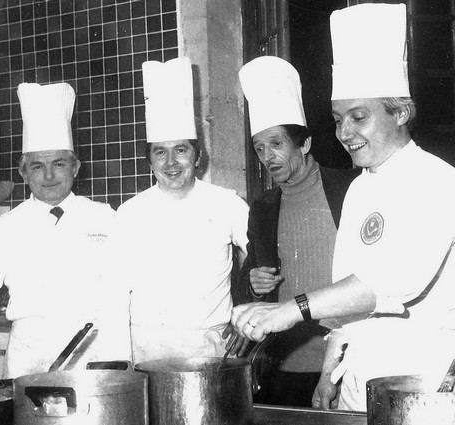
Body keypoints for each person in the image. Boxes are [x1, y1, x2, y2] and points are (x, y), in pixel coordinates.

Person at [231, 3, 455, 412]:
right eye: (338, 119)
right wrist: (327, 374)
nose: (344, 133)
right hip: (355, 384)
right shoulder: (361, 189)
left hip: (421, 389)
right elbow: (347, 305)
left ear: (400, 111)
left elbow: (385, 283)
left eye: (358, 117)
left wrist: (291, 310)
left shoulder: (436, 182)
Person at [0, 82, 125, 384]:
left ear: (75, 168)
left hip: (94, 361)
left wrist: (119, 363)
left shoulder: (106, 218)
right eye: (37, 166)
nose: (49, 176)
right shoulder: (7, 227)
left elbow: (123, 294)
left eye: (59, 164)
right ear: (23, 172)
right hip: (29, 363)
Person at [235, 55, 359, 407]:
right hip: (284, 365)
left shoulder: (350, 188)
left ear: (303, 144)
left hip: (343, 362)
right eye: (260, 148)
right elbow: (245, 284)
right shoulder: (263, 208)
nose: (267, 156)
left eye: (276, 144)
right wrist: (253, 281)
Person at [113, 57, 249, 363]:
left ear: (198, 157)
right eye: (160, 152)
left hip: (211, 351)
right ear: (149, 160)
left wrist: (246, 318)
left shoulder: (227, 204)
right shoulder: (129, 213)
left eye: (181, 150)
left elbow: (264, 256)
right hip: (146, 351)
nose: (171, 163)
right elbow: (114, 294)